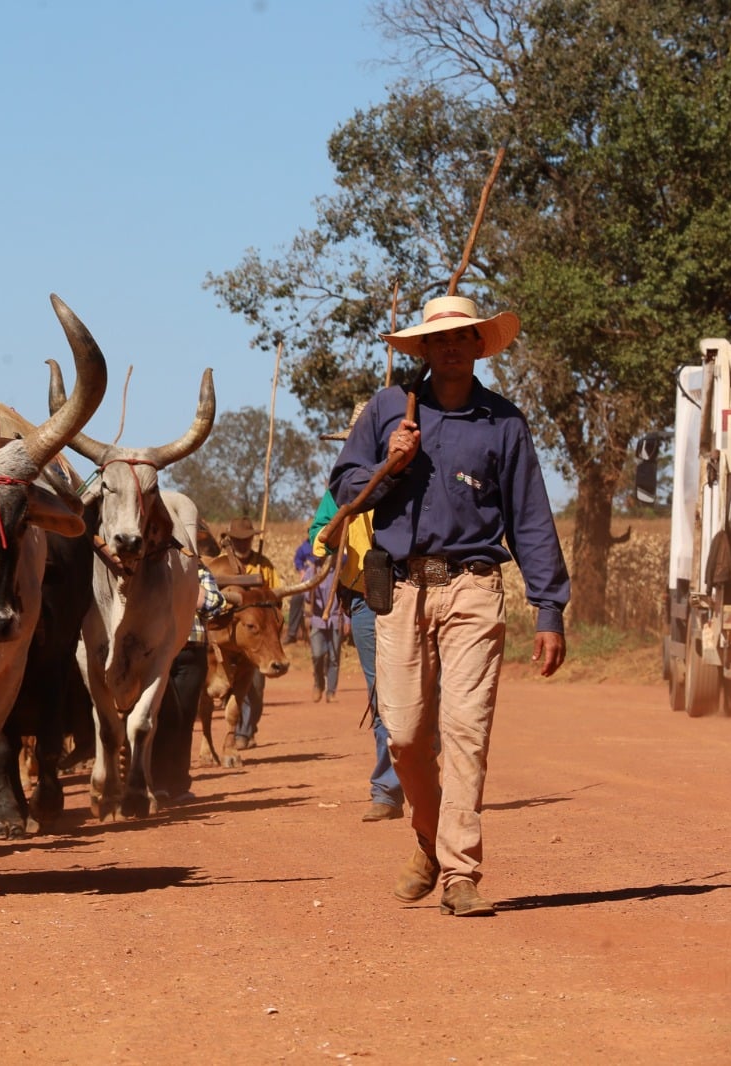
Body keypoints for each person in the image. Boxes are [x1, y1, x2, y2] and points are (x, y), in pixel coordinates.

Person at [329, 295, 569, 918]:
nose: (452, 347)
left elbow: (532, 520)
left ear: (479, 346)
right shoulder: (388, 409)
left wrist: (549, 608)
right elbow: (345, 486)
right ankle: (427, 838)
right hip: (402, 588)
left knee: (465, 732)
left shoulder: (504, 422)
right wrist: (390, 462)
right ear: (425, 350)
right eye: (440, 340)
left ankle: (461, 872)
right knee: (405, 736)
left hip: (473, 587)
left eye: (464, 337)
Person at [309, 402, 405, 823]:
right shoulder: (339, 489)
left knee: (429, 694)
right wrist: (330, 533)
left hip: (415, 592)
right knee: (382, 696)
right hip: (366, 599)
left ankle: (427, 780)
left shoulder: (413, 478)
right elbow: (317, 538)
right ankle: (387, 790)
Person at [151, 565, 229, 800]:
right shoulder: (152, 567)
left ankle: (179, 784)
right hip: (159, 652)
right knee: (165, 715)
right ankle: (157, 781)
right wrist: (190, 596)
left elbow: (215, 603)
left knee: (185, 716)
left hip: (192, 653)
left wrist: (185, 592)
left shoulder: (199, 571)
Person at [221, 516, 279, 750]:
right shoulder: (222, 564)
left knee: (255, 689)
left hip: (258, 638)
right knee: (231, 689)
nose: (243, 544)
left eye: (247, 540)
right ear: (231, 540)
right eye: (238, 540)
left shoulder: (264, 565)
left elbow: (276, 596)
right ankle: (237, 733)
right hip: (229, 636)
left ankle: (248, 729)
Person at [302, 544, 343, 704]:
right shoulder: (311, 572)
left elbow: (344, 599)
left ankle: (331, 691)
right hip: (318, 620)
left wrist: (346, 620)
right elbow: (306, 598)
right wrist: (307, 616)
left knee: (334, 658)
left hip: (335, 619)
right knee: (317, 655)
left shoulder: (338, 573)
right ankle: (318, 683)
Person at [283, 531, 314, 644]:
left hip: (326, 583)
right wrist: (301, 571)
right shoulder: (304, 547)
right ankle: (292, 633)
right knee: (296, 598)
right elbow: (298, 560)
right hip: (308, 581)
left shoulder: (328, 544)